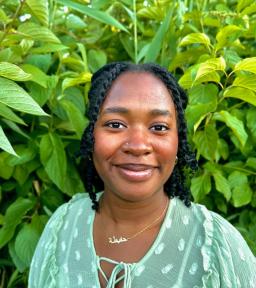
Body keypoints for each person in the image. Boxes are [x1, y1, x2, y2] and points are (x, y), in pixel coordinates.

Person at [29, 62, 256, 288]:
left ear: (179, 142)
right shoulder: (62, 227)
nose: (138, 146)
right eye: (115, 124)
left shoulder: (214, 245)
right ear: (91, 136)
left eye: (158, 127)